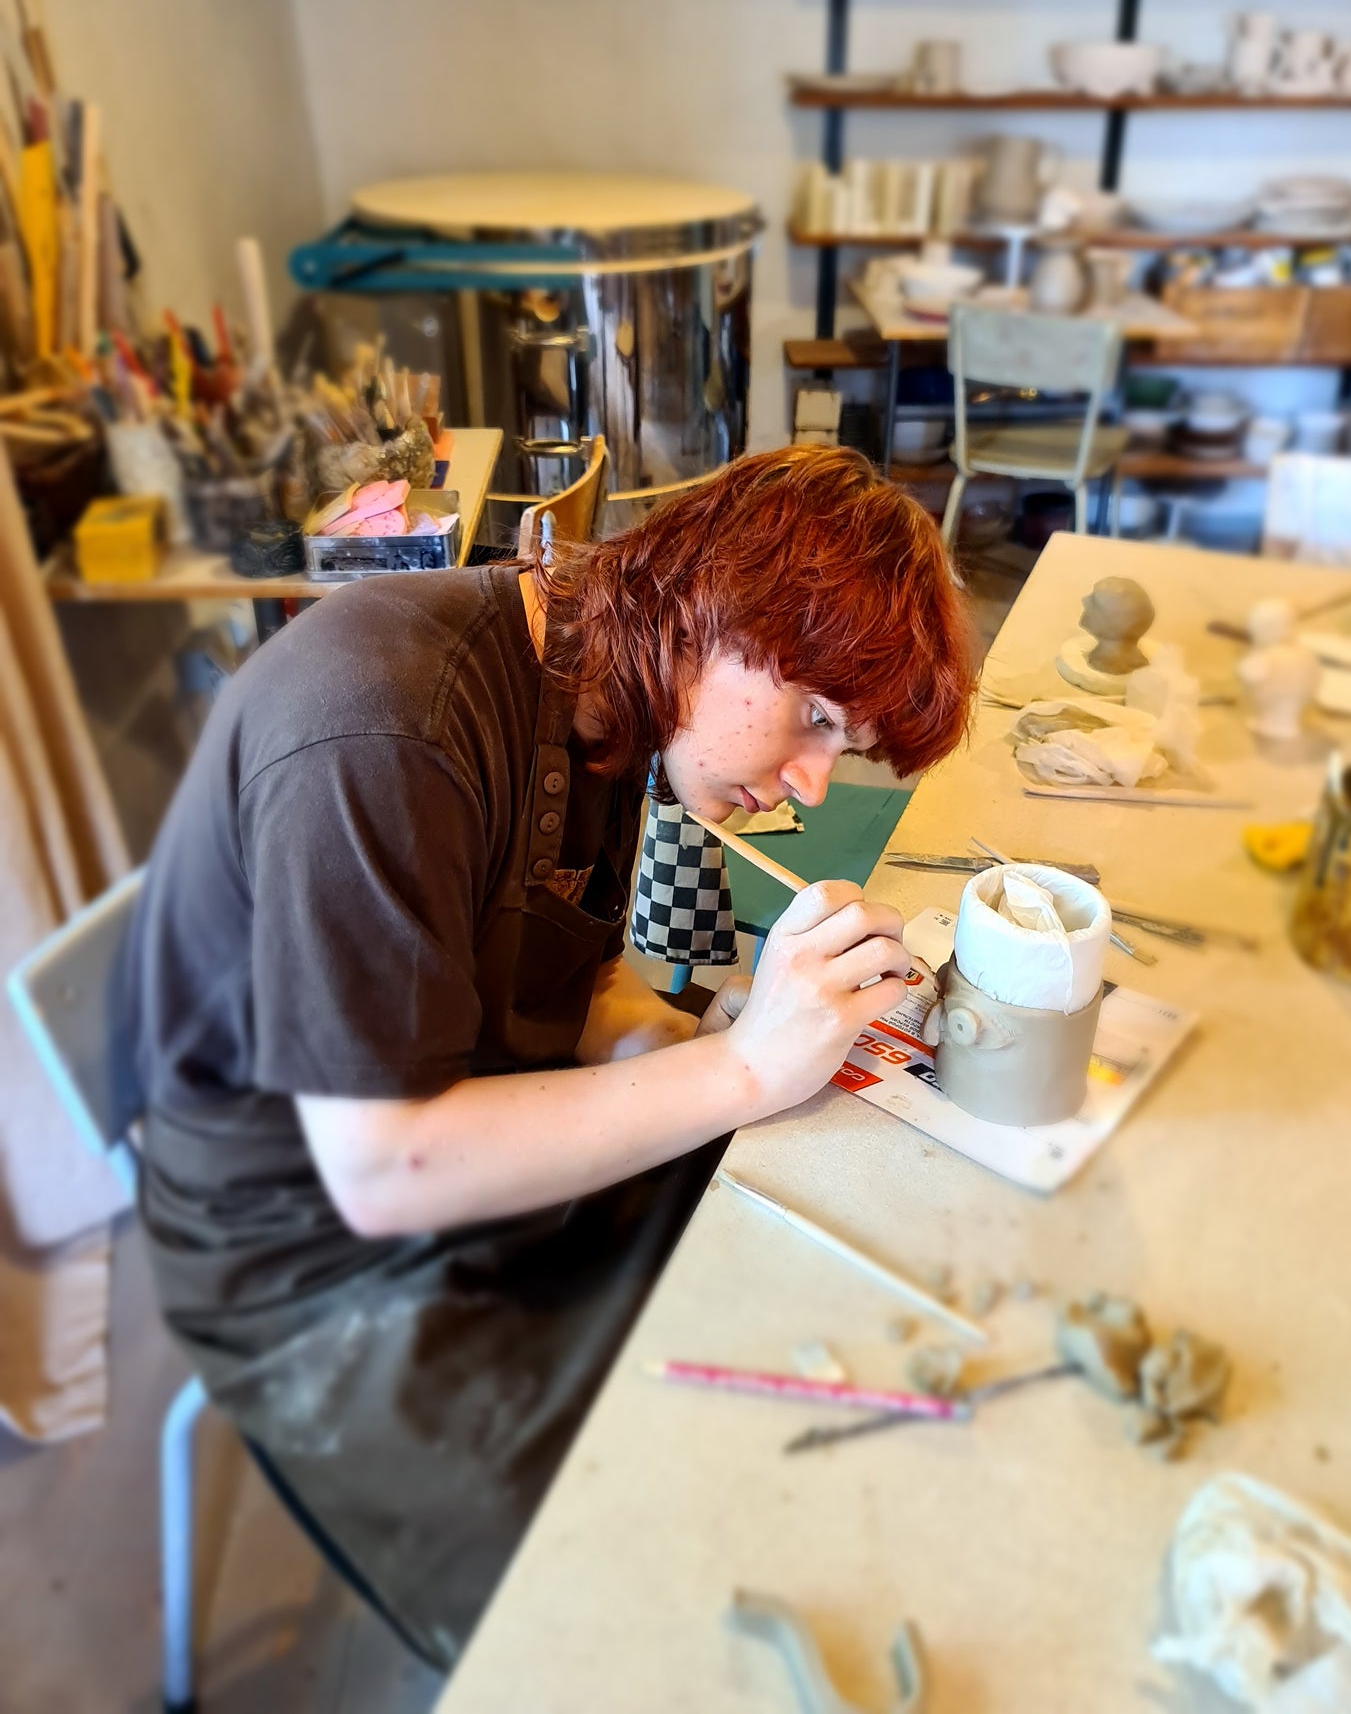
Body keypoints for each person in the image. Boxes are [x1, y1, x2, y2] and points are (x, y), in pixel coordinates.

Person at [119, 446, 976, 1669]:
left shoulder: (605, 695)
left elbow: (577, 974)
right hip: (306, 1242)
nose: (805, 783)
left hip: (467, 1122)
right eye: (815, 717)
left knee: (828, 1284)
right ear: (711, 604)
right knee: (643, 1619)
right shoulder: (384, 724)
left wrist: (715, 1035)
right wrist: (738, 1074)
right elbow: (380, 1169)